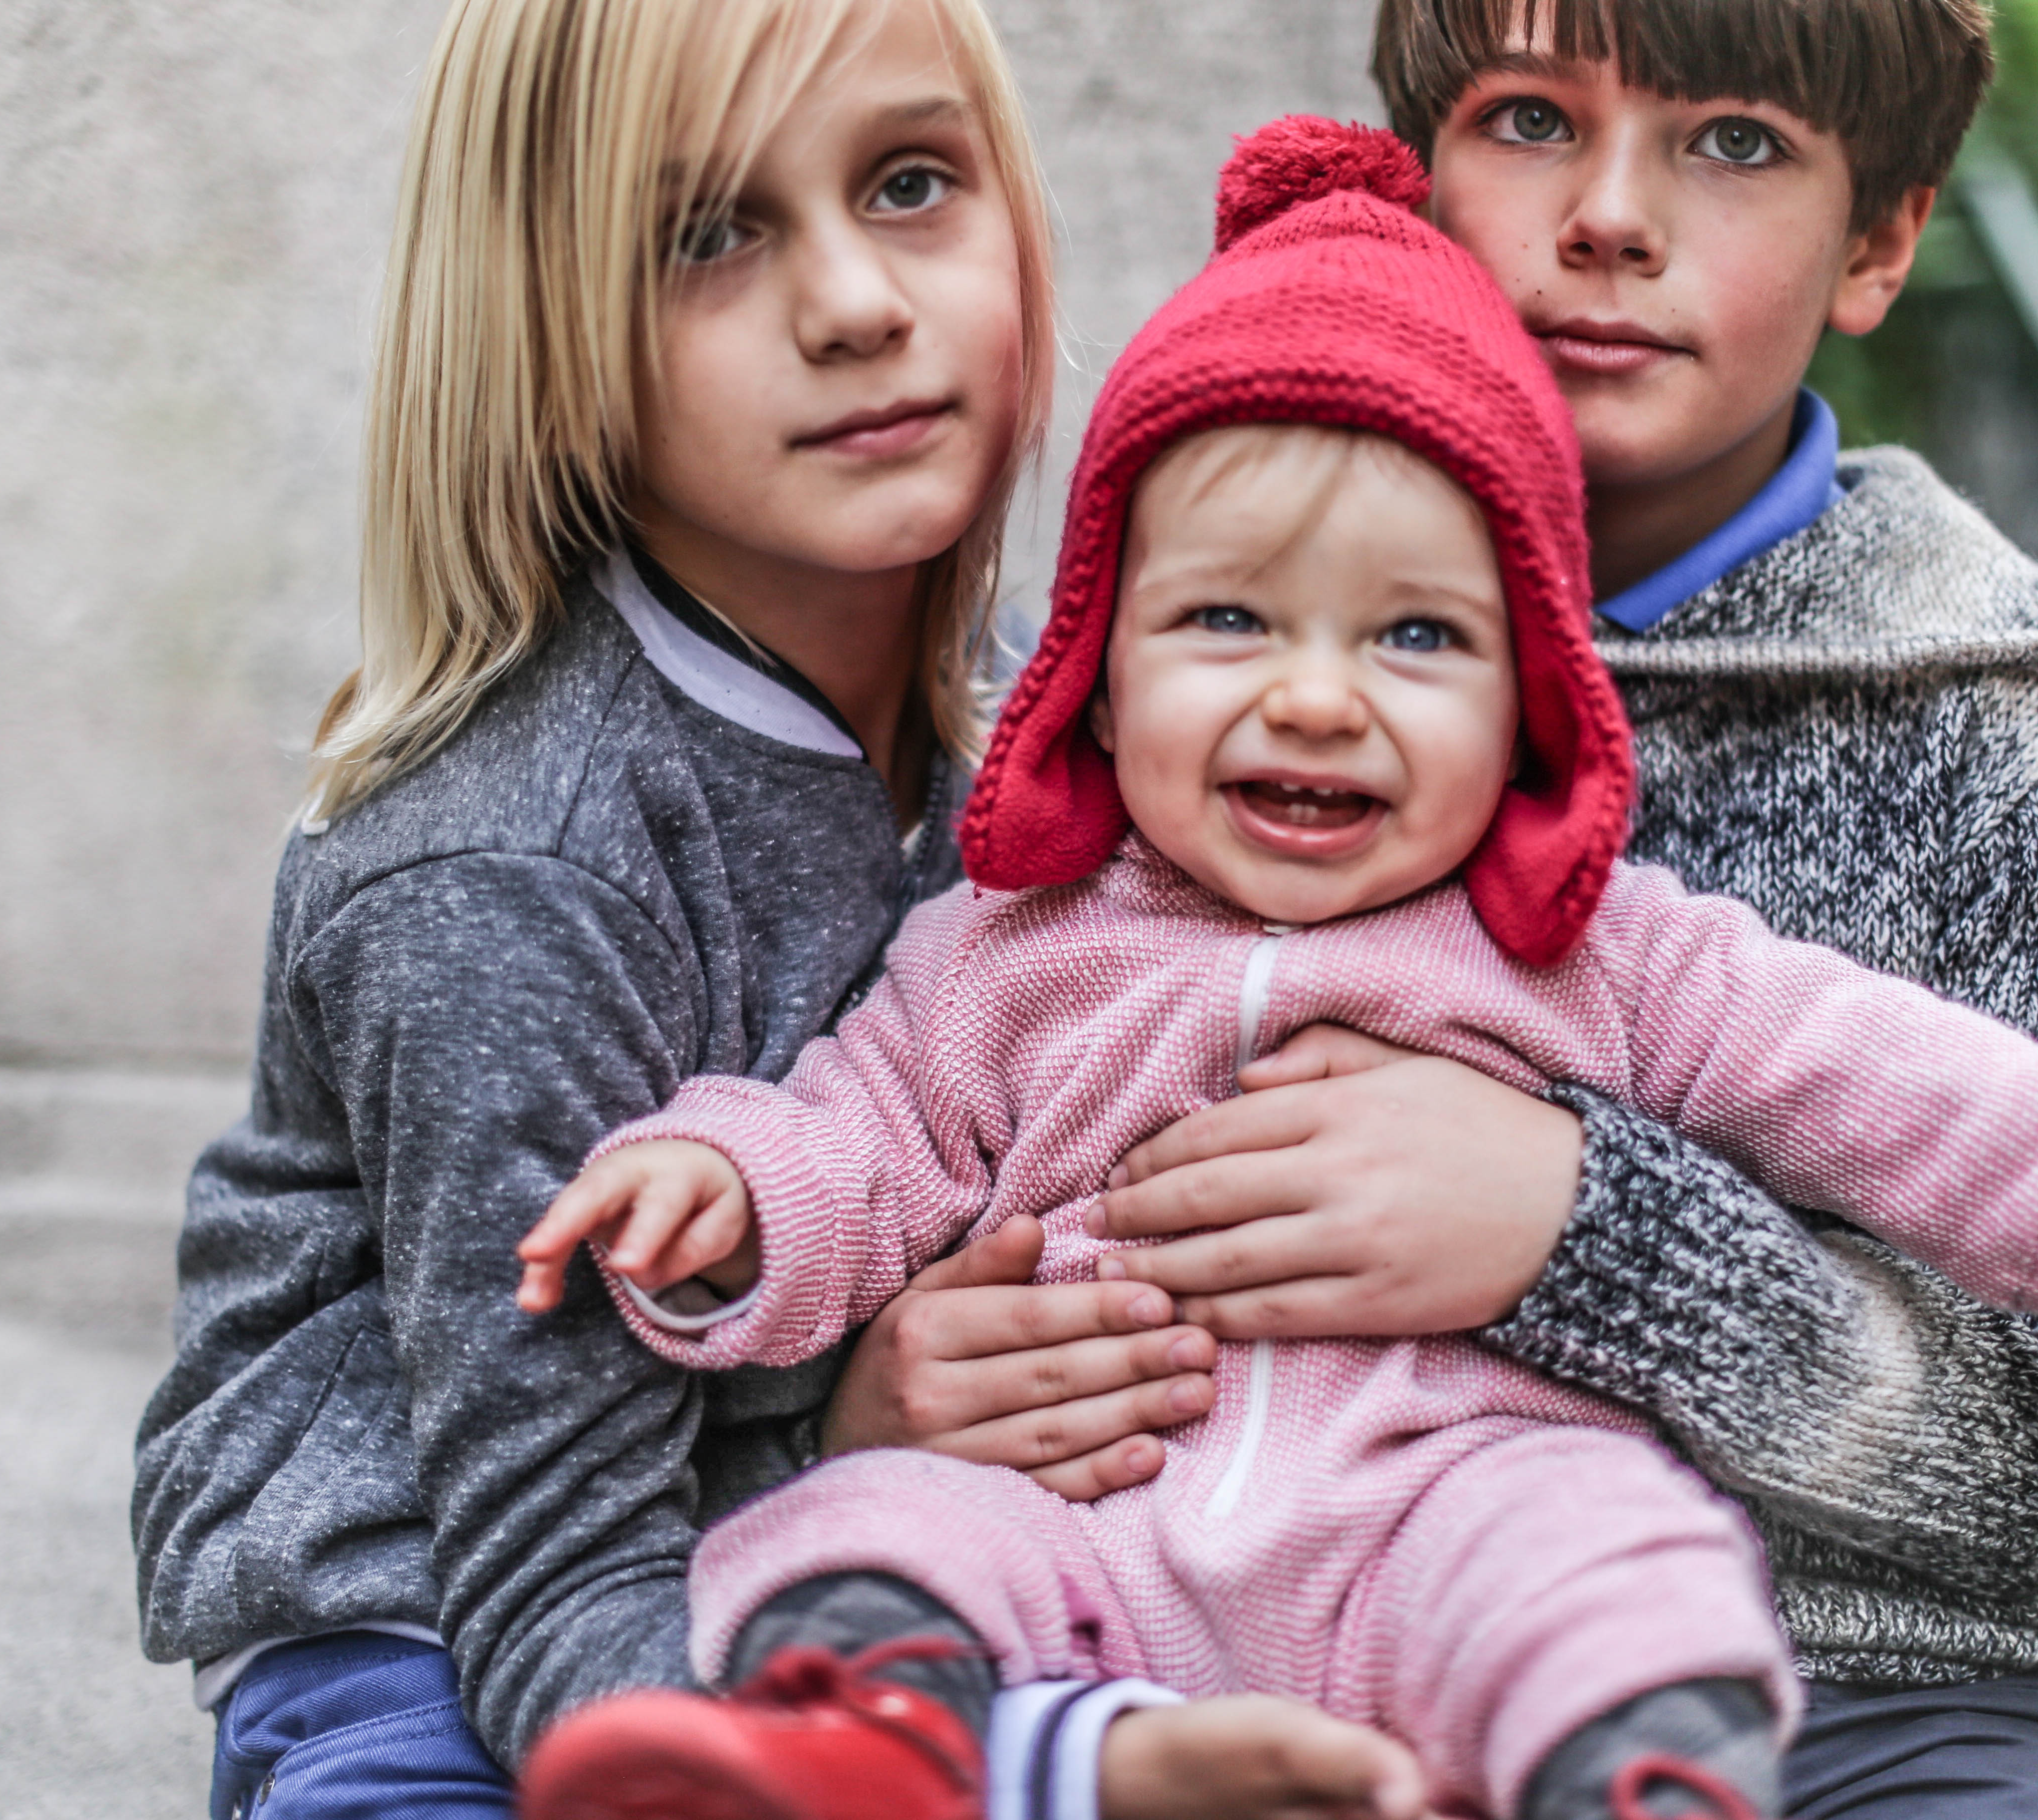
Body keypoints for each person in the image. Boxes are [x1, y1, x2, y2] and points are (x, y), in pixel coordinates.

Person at [508, 123, 2038, 1820]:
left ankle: (1639, 1767)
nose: (1318, 696)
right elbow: (869, 1128)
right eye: (1232, 620)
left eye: (1417, 639)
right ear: (1096, 661)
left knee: (1604, 1552)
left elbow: (1892, 1080)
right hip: (1098, 1522)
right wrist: (733, 1197)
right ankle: (859, 1748)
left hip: (1440, 1502)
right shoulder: (1011, 938)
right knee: (860, 1529)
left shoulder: (1582, 940)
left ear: (1536, 699)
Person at [130, 4, 1418, 1816]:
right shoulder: (516, 866)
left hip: (849, 1576)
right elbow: (554, 1593)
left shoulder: (1063, 741)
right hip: (436, 1666)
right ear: (548, 333)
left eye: (909, 185)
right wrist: (850, 1461)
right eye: (708, 236)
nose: (853, 304)